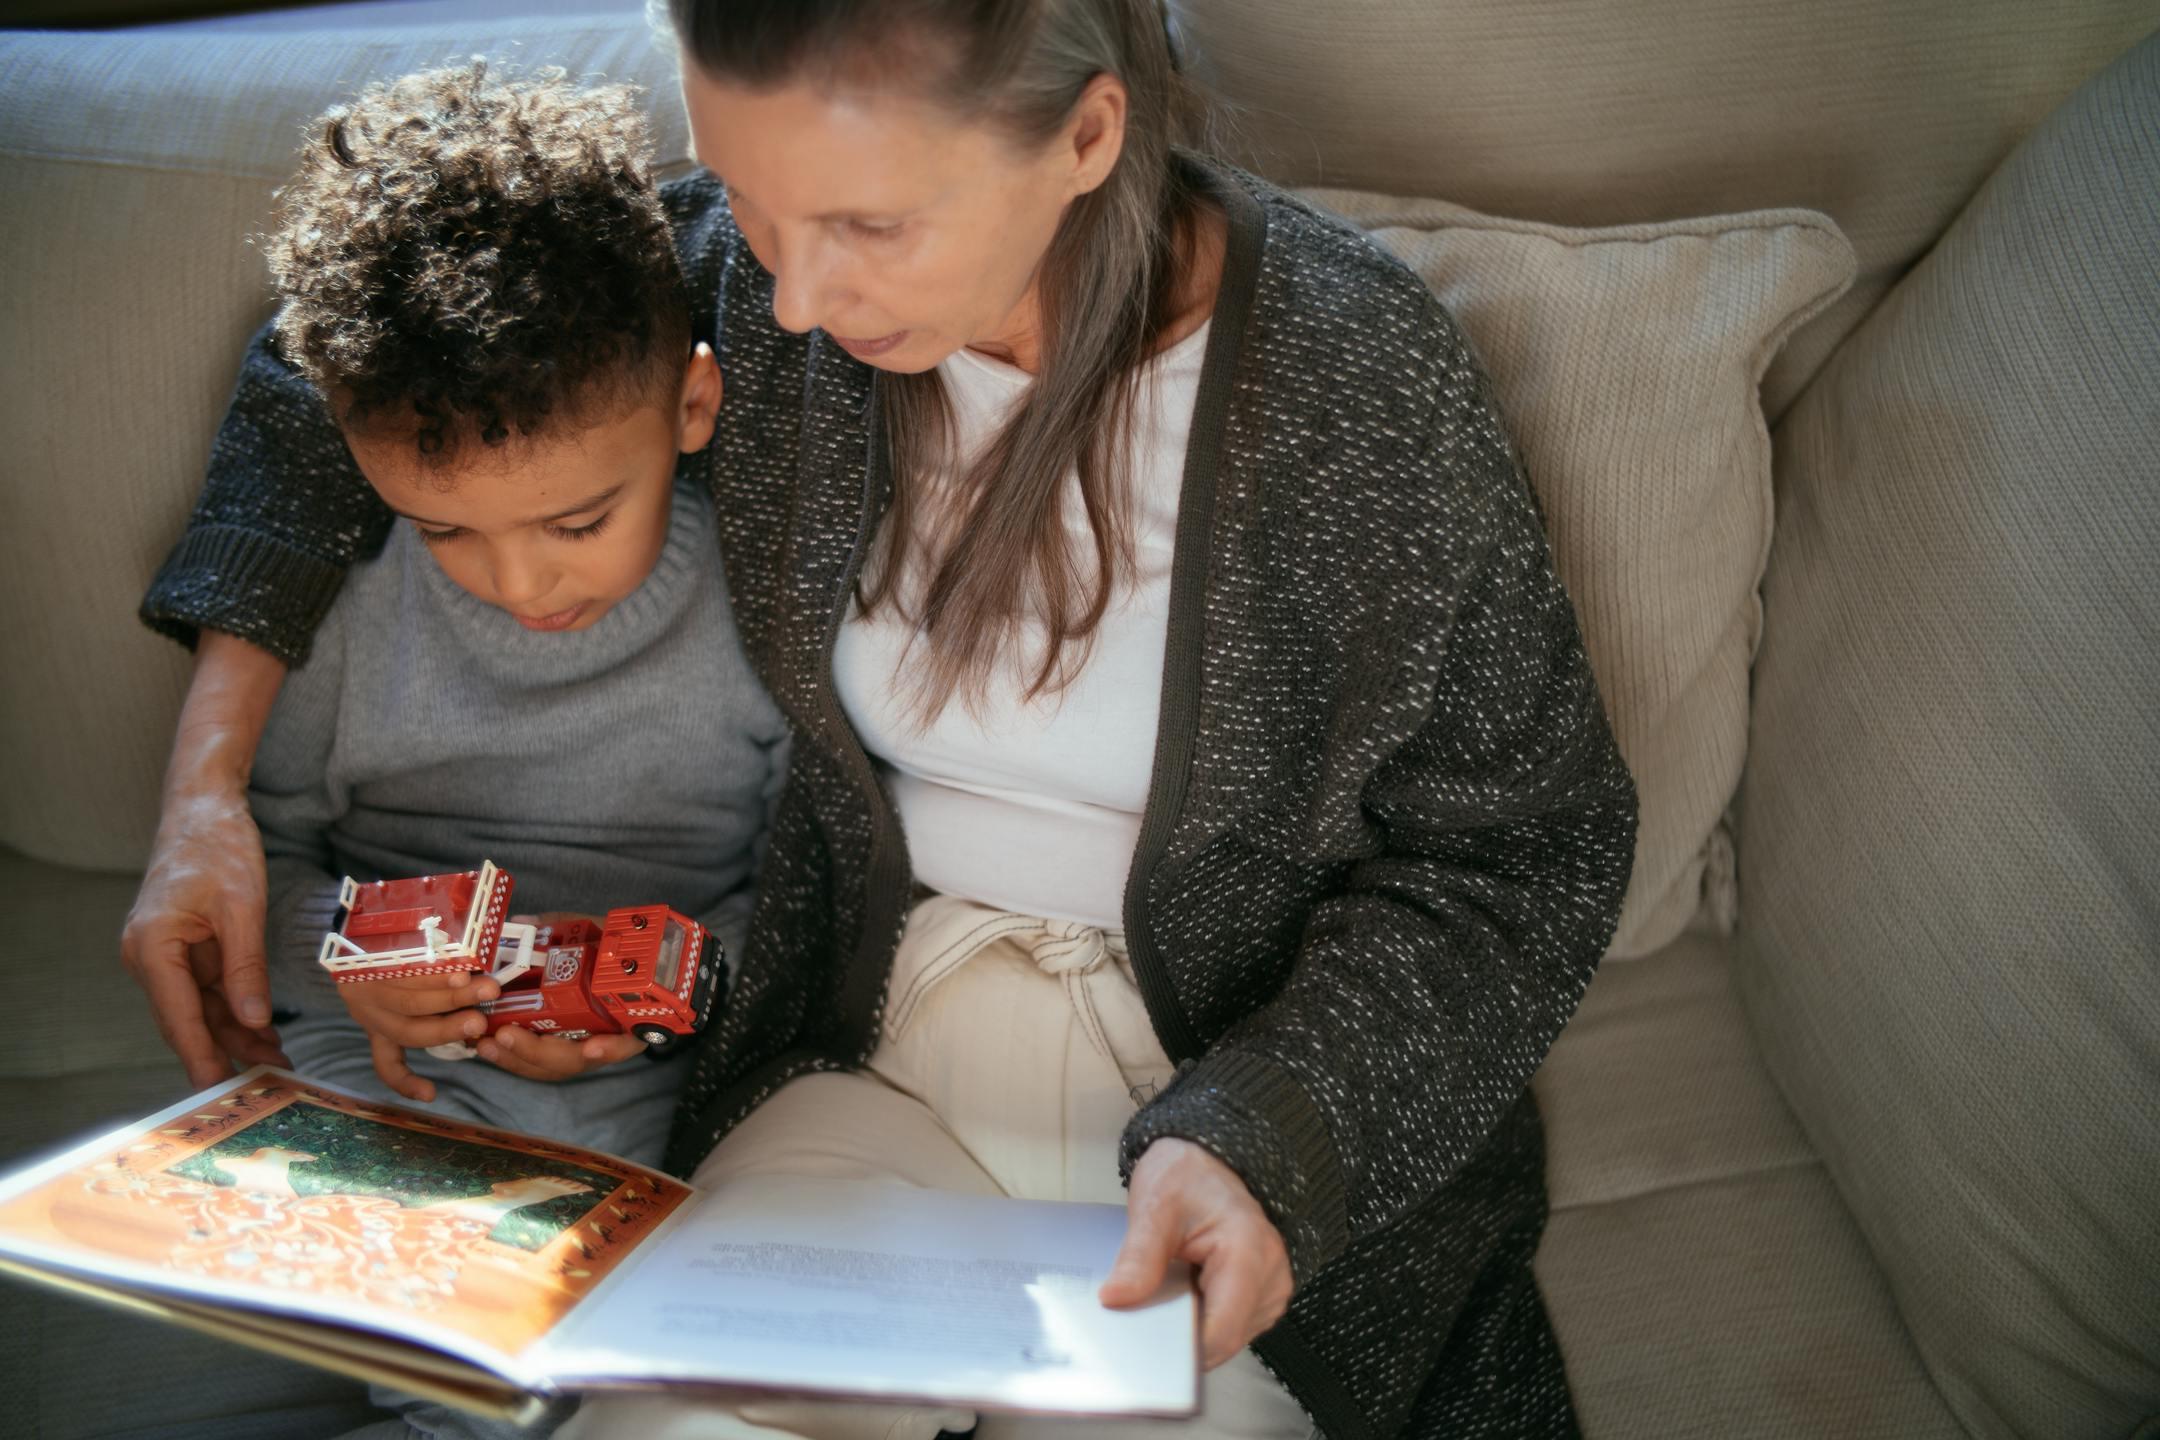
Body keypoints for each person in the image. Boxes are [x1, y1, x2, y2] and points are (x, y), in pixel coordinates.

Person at [124, 2, 1637, 1436]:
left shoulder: (1356, 384)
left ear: (1088, 135)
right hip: (865, 1056)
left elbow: (1526, 856)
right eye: (751, 205)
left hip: (1220, 1081)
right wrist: (206, 798)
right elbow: (328, 355)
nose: (786, 298)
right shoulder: (761, 297)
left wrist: (1276, 1133)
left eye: (868, 227)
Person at [174, 61, 786, 1439]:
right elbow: (261, 862)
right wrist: (351, 954)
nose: (517, 583)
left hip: (659, 1043)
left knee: (649, 1325)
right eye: (447, 530)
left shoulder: (764, 613)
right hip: (387, 1045)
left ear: (692, 409)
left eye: (577, 524)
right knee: (447, 1312)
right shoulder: (346, 618)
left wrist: (682, 986)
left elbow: (812, 877)